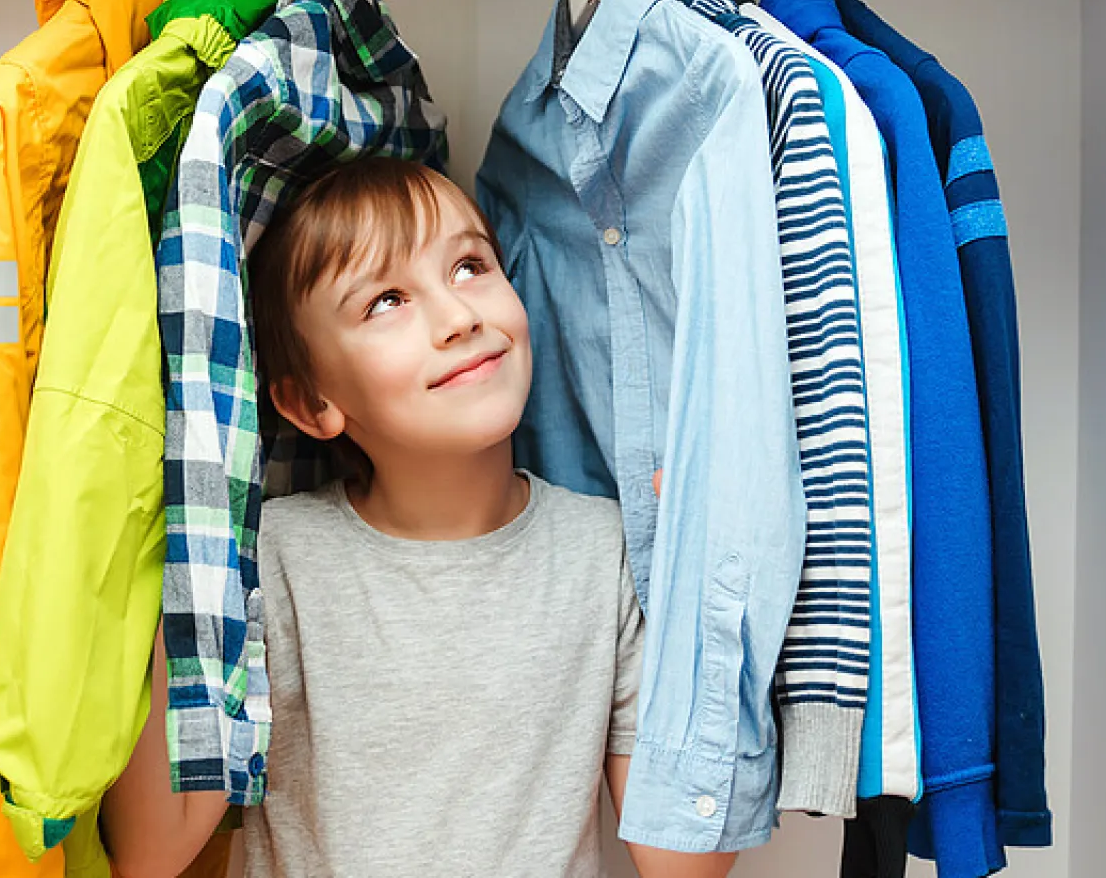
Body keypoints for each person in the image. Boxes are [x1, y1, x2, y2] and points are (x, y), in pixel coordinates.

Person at [102, 157, 736, 878]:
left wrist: (704, 555)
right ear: (313, 403)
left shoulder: (605, 551)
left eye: (470, 266)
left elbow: (681, 865)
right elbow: (151, 854)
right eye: (385, 301)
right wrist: (190, 543)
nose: (460, 317)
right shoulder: (269, 558)